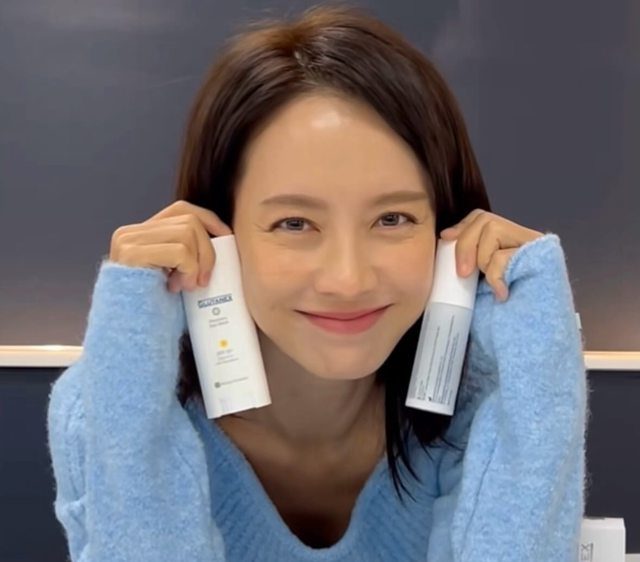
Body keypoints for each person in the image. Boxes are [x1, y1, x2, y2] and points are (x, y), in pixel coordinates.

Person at [47, 5, 588, 561]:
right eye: (294, 224)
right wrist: (129, 388)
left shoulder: (490, 409)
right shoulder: (111, 407)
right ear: (217, 232)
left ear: (445, 230)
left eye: (392, 219)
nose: (347, 279)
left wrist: (539, 355)